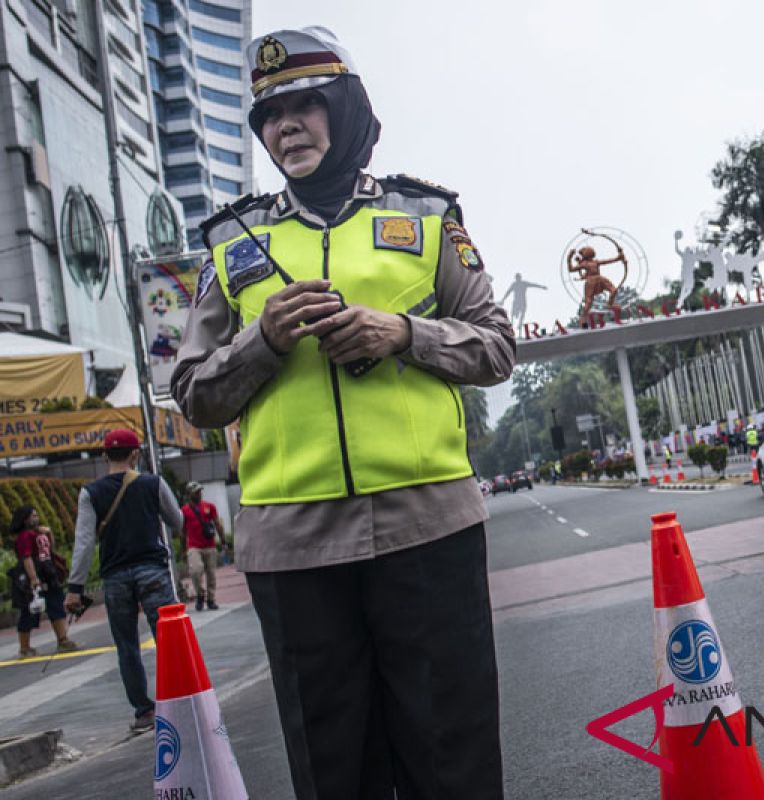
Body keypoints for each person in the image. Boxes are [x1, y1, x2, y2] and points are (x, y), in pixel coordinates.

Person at [170, 27, 513, 799]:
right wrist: (262, 340)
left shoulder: (427, 216)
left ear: (346, 108)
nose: (284, 126)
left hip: (428, 530)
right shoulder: (231, 244)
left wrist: (403, 333)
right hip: (293, 550)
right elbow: (194, 394)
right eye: (268, 115)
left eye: (303, 105)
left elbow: (497, 346)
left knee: (452, 761)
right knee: (334, 773)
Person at [65, 429, 182, 733]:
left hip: (115, 577)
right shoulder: (152, 483)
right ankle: (182, 701)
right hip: (152, 571)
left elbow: (84, 543)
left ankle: (144, 712)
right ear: (136, 454)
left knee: (127, 645)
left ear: (104, 456)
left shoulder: (90, 493)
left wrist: (75, 588)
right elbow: (177, 521)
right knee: (168, 638)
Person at [9, 507, 79, 658]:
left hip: (49, 574)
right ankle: (24, 648)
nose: (36, 518)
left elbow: (49, 550)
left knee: (56, 606)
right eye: (33, 515)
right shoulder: (24, 536)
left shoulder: (39, 533)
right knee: (29, 612)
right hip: (34, 576)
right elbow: (26, 558)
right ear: (24, 519)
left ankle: (63, 640)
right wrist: (34, 578)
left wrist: (48, 533)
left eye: (37, 514)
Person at [180, 481, 226, 611]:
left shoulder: (209, 506)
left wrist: (223, 541)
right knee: (195, 570)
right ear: (190, 494)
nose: (200, 494)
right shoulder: (184, 511)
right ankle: (200, 595)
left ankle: (211, 599)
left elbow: (217, 524)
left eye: (200, 491)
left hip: (209, 545)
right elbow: (183, 533)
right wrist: (184, 550)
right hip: (194, 546)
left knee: (211, 573)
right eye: (196, 492)